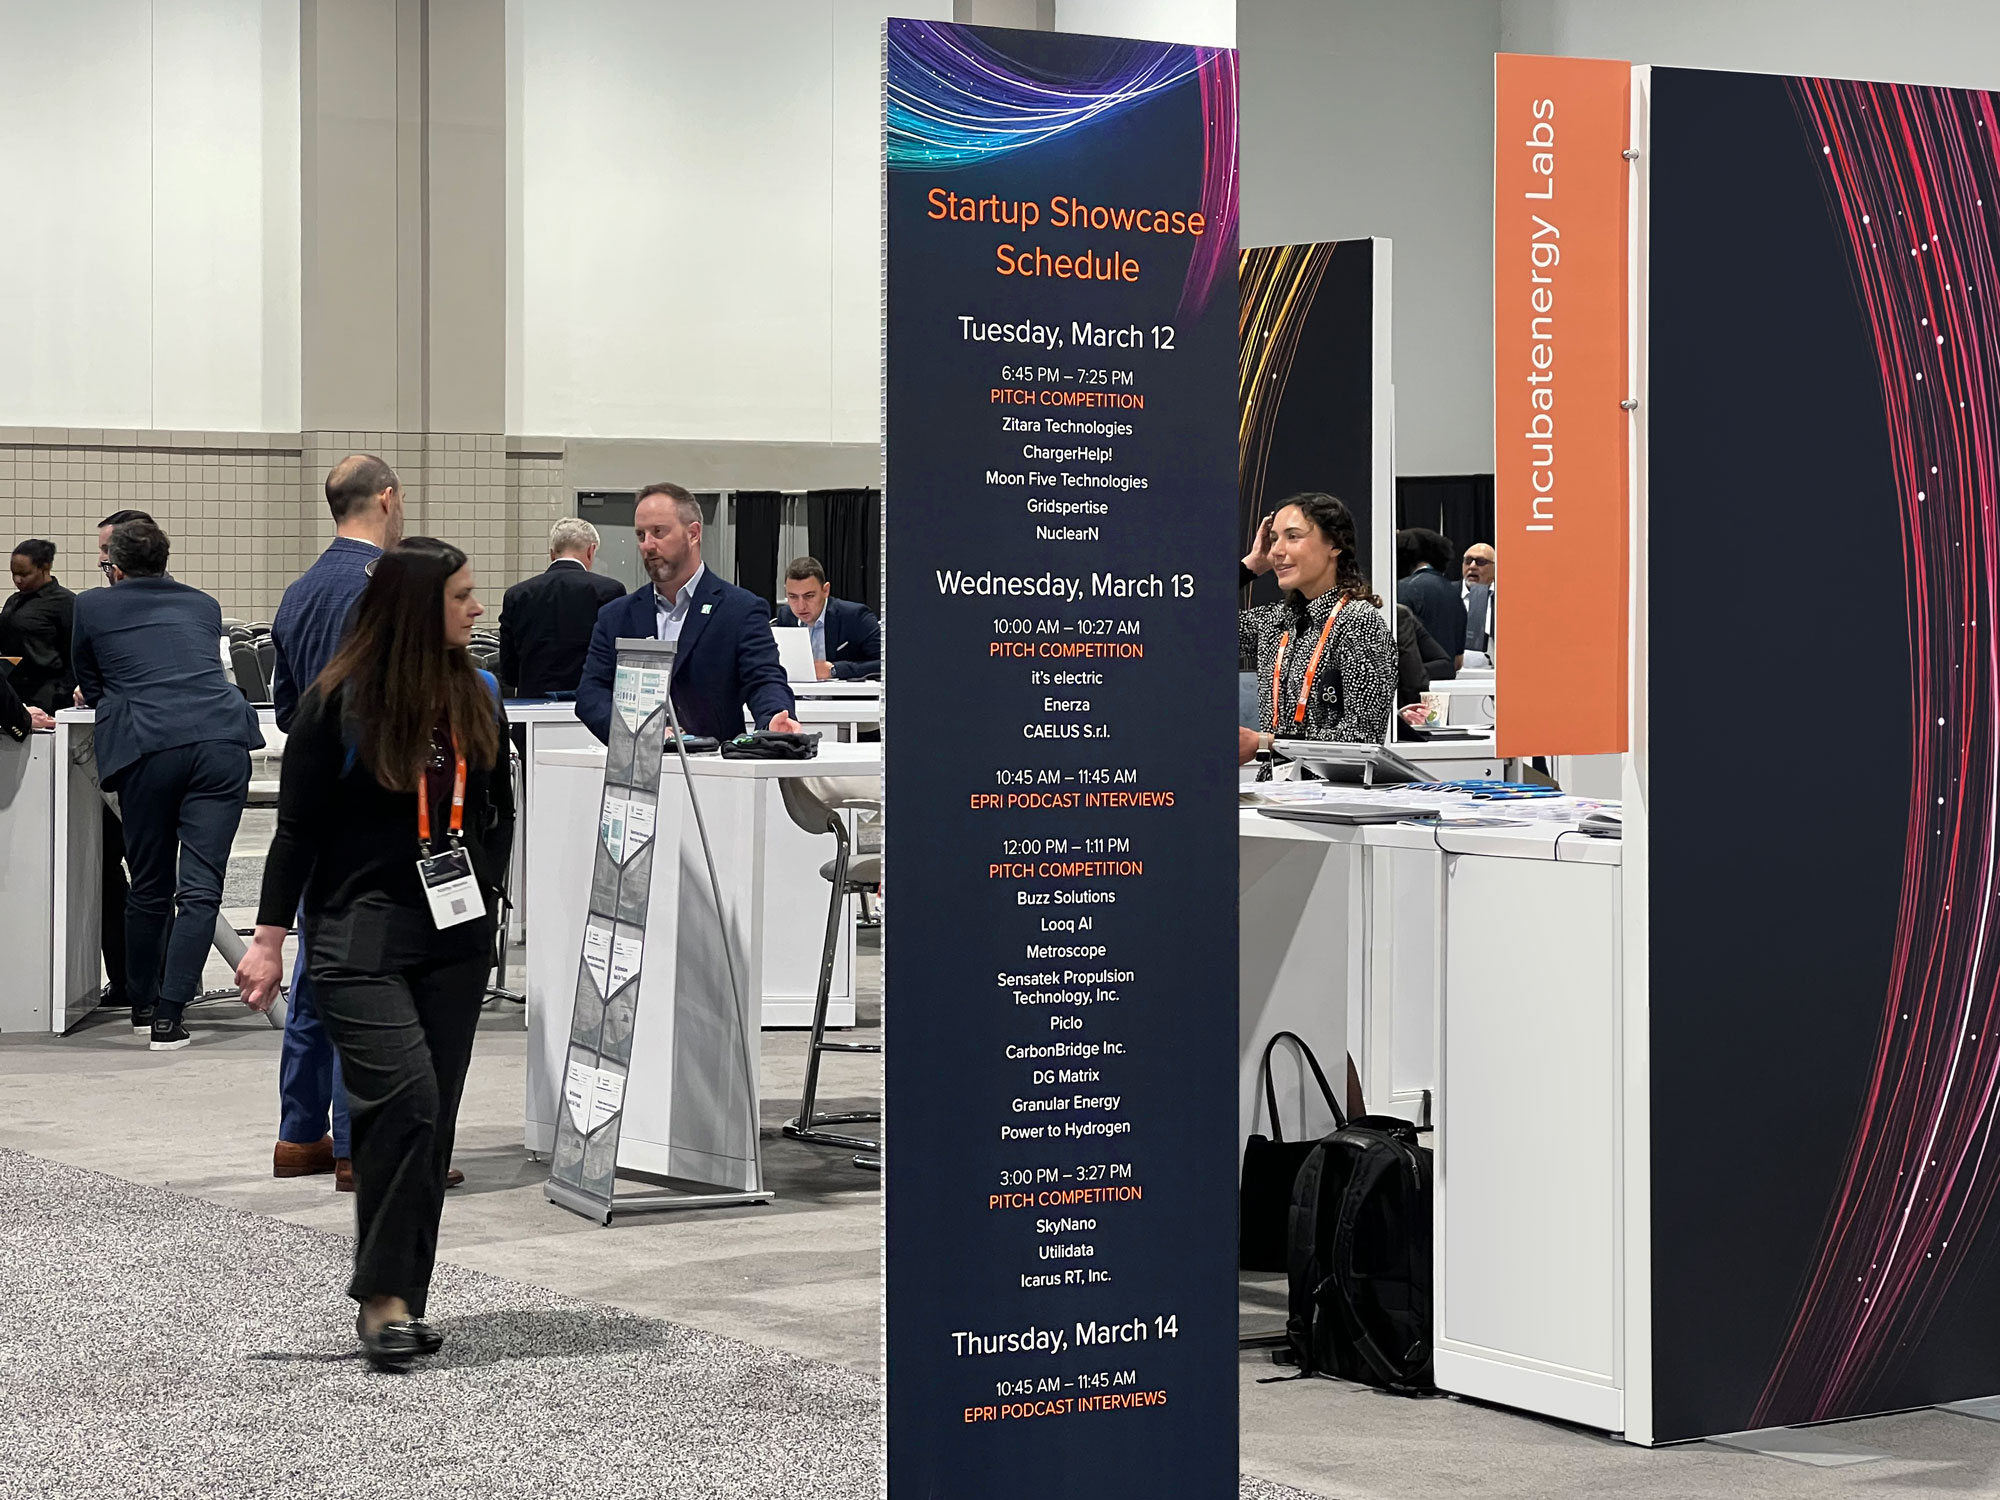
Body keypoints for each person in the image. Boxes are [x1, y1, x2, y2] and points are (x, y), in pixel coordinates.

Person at [236, 538, 513, 1370]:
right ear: (416, 607)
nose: (476, 609)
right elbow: (296, 832)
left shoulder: (479, 694)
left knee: (432, 1122)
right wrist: (268, 940)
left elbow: (496, 810)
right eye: (461, 596)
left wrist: (486, 899)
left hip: (455, 938)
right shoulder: (338, 701)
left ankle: (400, 1302)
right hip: (358, 933)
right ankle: (383, 1300)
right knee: (407, 1100)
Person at [268, 455, 407, 1189]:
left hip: (311, 800)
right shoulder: (386, 587)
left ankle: (299, 1135)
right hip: (373, 804)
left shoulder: (298, 592)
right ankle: (360, 1142)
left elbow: (289, 708)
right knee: (368, 972)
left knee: (316, 966)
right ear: (387, 498)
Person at [71, 519, 264, 1049]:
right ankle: (169, 1017)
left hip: (147, 744)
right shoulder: (203, 604)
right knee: (200, 889)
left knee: (149, 885)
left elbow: (90, 679)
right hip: (221, 740)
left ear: (115, 567)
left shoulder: (91, 606)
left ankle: (142, 1005)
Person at [576, 482, 802, 743]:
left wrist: (773, 718)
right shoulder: (615, 617)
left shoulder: (740, 610)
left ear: (693, 533)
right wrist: (635, 731)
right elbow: (591, 693)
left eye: (658, 532)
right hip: (637, 762)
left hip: (714, 761)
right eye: (640, 535)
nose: (647, 545)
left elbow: (764, 680)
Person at [1237, 494, 1397, 762]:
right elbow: (1193, 624)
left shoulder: (1358, 622)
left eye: (1293, 536)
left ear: (1335, 544)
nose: (1276, 551)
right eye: (1274, 539)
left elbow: (1362, 741)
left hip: (1332, 788)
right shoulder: (1275, 622)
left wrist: (1267, 743)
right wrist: (1250, 565)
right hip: (1275, 784)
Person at [88, 511, 154, 1014]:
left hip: (151, 757)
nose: (103, 564)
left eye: (108, 555)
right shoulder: (99, 604)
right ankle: (128, 980)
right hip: (113, 755)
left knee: (155, 876)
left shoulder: (180, 605)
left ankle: (162, 985)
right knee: (109, 869)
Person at [497, 517, 626, 696]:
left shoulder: (517, 595)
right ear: (591, 551)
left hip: (533, 703)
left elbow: (509, 672)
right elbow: (618, 659)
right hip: (589, 702)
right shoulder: (609, 591)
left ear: (552, 553)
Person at [774, 557, 881, 680]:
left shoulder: (855, 616)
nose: (801, 606)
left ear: (825, 590)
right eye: (793, 597)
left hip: (843, 692)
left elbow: (886, 662)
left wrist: (834, 670)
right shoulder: (786, 616)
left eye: (809, 596)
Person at [1, 539, 77, 713]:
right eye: (14, 573)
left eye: (25, 574)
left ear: (45, 567)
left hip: (47, 694)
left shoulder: (65, 602)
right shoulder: (13, 601)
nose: (17, 580)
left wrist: (62, 694)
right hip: (13, 692)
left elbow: (75, 653)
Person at [1395, 527, 1465, 675]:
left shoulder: (1403, 589)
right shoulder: (1454, 592)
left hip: (1413, 679)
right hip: (1446, 681)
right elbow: (1458, 661)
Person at [1462, 542, 1496, 665]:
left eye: (1480, 562)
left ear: (1495, 567)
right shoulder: (1447, 594)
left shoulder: (1506, 598)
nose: (1472, 566)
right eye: (1468, 561)